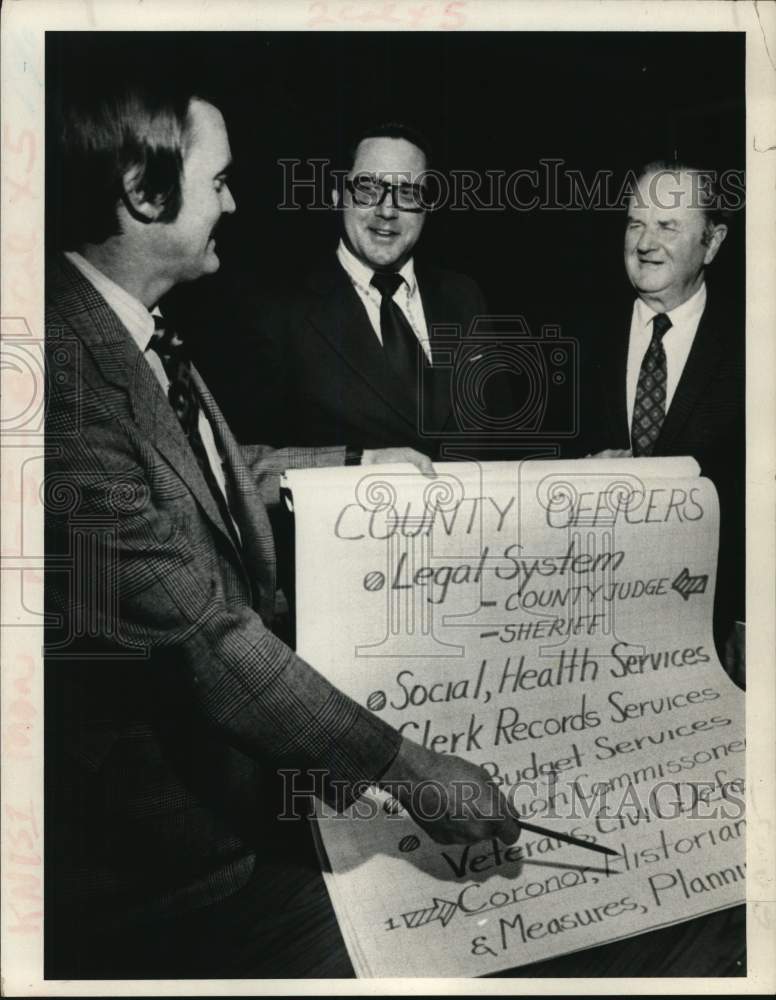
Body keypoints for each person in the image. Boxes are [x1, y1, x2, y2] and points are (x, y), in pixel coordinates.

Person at [44, 66, 520, 979]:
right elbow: (199, 635)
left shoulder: (135, 332)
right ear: (146, 193)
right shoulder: (59, 371)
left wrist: (351, 466)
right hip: (155, 866)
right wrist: (410, 768)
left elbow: (218, 473)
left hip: (242, 798)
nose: (233, 202)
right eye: (218, 181)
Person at [223, 122, 511, 459]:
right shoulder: (277, 312)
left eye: (407, 193)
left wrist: (577, 471)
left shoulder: (463, 297)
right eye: (368, 189)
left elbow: (504, 440)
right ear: (336, 196)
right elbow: (247, 467)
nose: (387, 211)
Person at [578, 160, 744, 666]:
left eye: (668, 225)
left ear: (712, 243)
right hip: (588, 619)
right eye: (635, 223)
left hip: (712, 628)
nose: (645, 243)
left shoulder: (756, 343)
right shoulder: (574, 328)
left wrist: (751, 616)